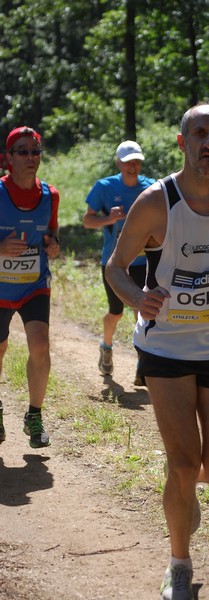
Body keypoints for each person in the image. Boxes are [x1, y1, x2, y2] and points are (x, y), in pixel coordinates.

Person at [105, 102, 209, 600]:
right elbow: (115, 265)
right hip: (166, 347)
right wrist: (136, 297)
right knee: (181, 461)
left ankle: (183, 492)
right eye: (200, 133)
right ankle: (179, 564)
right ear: (182, 142)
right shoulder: (156, 201)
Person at [0, 126, 60, 448]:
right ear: (9, 157)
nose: (31, 157)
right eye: (23, 151)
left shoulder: (50, 195)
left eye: (35, 151)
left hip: (33, 285)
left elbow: (52, 234)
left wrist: (53, 245)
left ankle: (34, 416)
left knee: (40, 346)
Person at [82, 141, 155, 383]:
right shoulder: (104, 187)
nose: (133, 166)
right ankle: (106, 346)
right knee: (116, 312)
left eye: (136, 161)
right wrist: (108, 219)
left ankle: (142, 365)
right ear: (118, 163)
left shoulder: (151, 188)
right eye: (127, 162)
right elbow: (87, 221)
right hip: (114, 262)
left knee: (142, 311)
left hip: (144, 260)